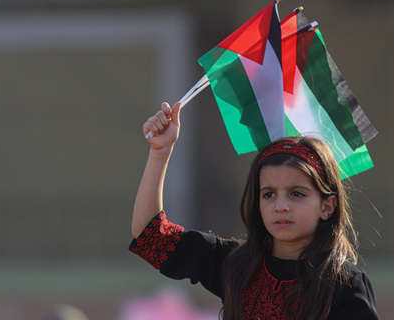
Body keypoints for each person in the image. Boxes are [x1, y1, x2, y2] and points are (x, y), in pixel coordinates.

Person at [130, 102, 379, 320]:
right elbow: (150, 238)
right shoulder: (234, 265)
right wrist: (160, 152)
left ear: (327, 206)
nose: (281, 205)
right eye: (268, 194)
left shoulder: (344, 283)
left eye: (297, 194)